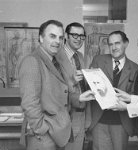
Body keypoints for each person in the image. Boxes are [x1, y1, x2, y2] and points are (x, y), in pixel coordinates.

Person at [19, 20, 93, 150]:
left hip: (57, 131)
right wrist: (42, 129)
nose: (57, 41)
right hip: (43, 136)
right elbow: (29, 103)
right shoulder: (32, 61)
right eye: (52, 36)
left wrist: (79, 97)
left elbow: (61, 93)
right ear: (41, 38)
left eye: (60, 37)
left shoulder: (54, 61)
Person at [89, 30, 138, 150]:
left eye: (117, 43)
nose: (114, 47)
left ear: (126, 43)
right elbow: (88, 84)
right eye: (110, 44)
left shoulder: (135, 68)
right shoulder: (98, 60)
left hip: (121, 123)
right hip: (99, 120)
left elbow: (135, 96)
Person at [56, 22, 91, 150]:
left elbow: (83, 86)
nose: (78, 39)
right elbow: (53, 89)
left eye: (82, 36)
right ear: (66, 35)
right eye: (74, 35)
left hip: (81, 114)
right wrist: (72, 81)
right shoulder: (56, 57)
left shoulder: (80, 57)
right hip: (66, 115)